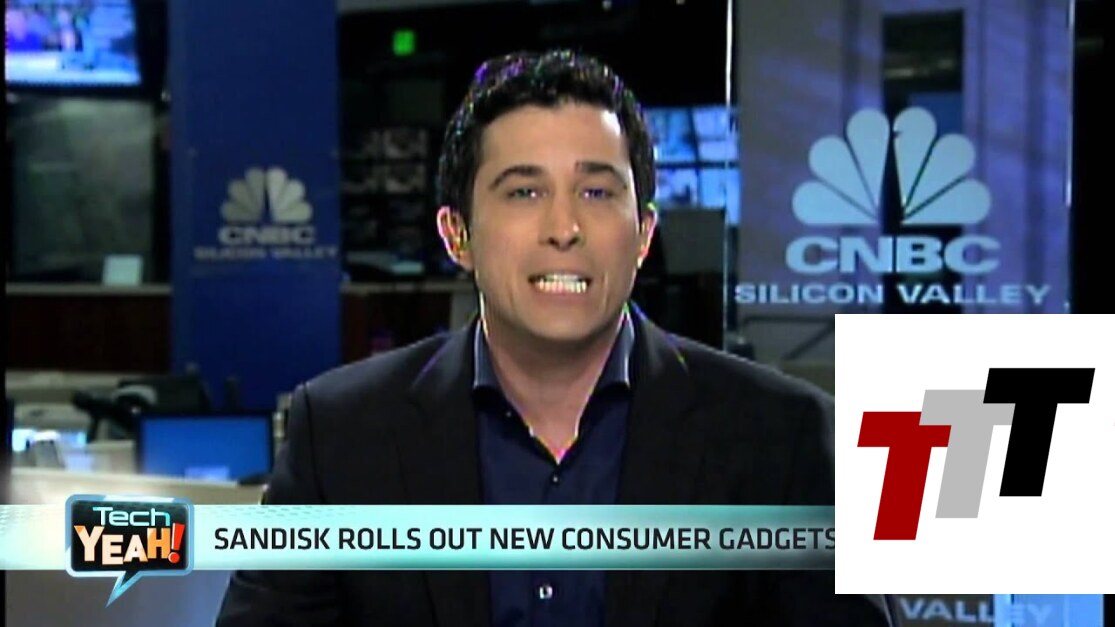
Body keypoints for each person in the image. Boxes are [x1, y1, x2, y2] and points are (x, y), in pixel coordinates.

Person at [216, 49, 894, 627]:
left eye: (596, 193)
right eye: (523, 193)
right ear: (457, 235)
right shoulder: (341, 436)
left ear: (644, 234)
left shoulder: (783, 437)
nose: (564, 228)